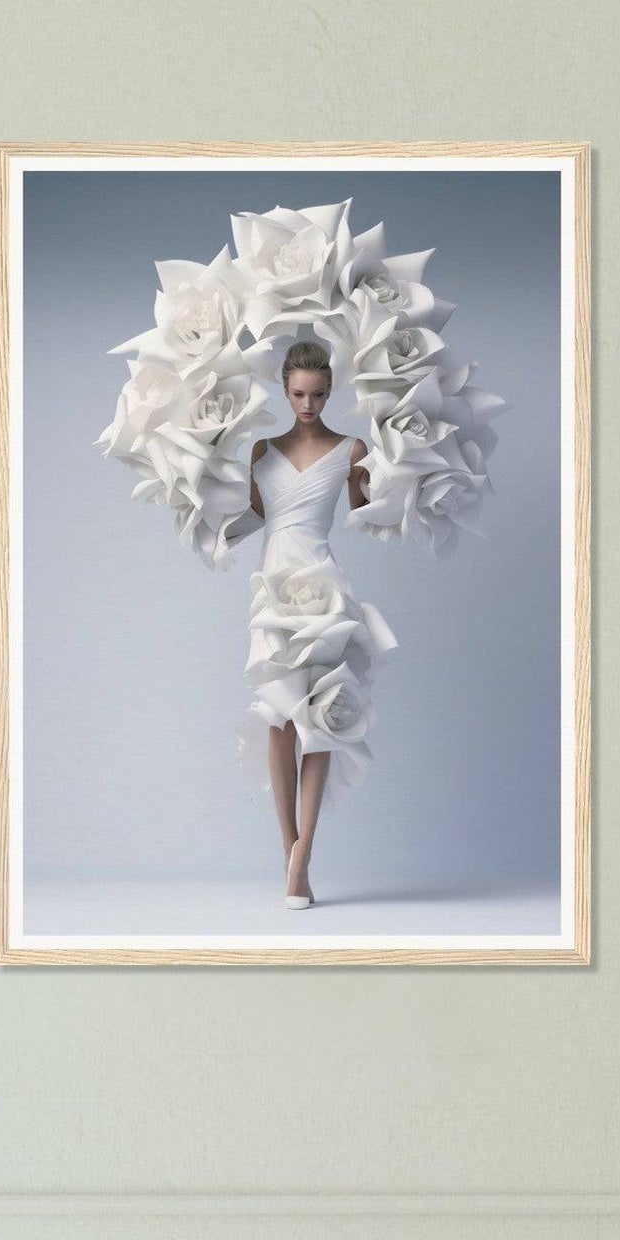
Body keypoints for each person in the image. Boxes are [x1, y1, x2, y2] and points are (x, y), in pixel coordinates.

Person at [229, 339, 396, 909]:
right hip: (273, 590)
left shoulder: (351, 449)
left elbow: (366, 513)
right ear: (284, 388)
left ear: (332, 390)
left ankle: (304, 856)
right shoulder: (260, 451)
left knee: (322, 718)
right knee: (280, 718)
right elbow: (255, 517)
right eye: (299, 393)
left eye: (319, 393)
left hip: (323, 587)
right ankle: (289, 850)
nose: (308, 404)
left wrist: (399, 473)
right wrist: (199, 520)